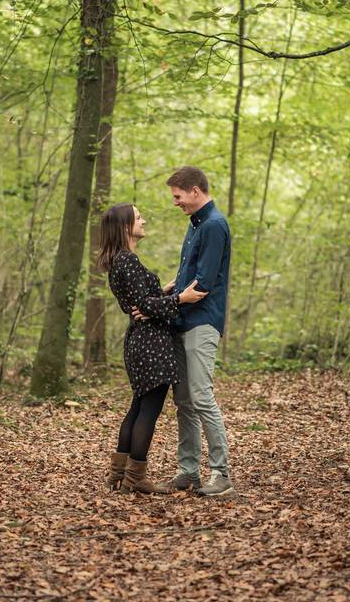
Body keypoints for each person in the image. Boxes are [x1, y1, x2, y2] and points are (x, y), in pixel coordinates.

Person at [135, 166, 234, 498]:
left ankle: (221, 475)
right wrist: (160, 298)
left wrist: (165, 304)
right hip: (181, 321)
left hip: (202, 322)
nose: (175, 202)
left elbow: (203, 284)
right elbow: (185, 278)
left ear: (195, 191)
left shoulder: (215, 225)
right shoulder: (196, 226)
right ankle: (188, 471)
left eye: (178, 196)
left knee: (202, 396)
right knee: (185, 402)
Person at [98, 203, 207, 494]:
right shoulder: (128, 261)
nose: (143, 220)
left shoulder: (119, 261)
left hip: (140, 342)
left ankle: (118, 474)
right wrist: (181, 299)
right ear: (124, 227)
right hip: (151, 344)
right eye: (138, 217)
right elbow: (144, 306)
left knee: (137, 408)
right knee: (148, 411)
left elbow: (143, 301)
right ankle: (136, 479)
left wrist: (165, 291)